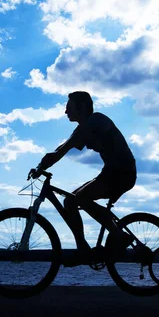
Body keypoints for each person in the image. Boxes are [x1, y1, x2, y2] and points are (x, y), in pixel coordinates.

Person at [37, 91, 137, 266]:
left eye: (69, 107)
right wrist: (42, 165)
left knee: (80, 198)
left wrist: (46, 162)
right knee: (69, 201)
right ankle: (83, 249)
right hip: (110, 172)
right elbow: (65, 146)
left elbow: (65, 147)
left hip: (123, 172)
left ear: (81, 107)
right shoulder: (82, 127)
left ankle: (119, 236)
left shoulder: (97, 120)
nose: (66, 112)